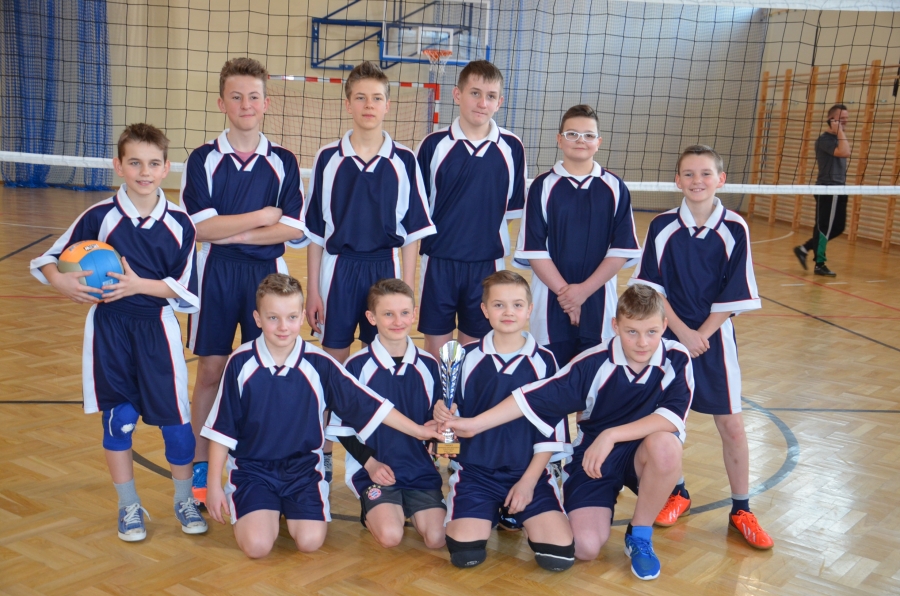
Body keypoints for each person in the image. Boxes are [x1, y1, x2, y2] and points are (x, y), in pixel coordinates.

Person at [437, 284, 693, 580]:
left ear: (664, 326)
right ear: (615, 326)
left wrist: (610, 435)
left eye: (651, 332)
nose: (642, 342)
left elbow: (672, 417)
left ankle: (640, 535)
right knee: (584, 547)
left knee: (666, 445)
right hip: (593, 458)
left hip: (639, 453)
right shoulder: (592, 362)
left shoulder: (677, 358)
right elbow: (532, 398)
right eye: (631, 331)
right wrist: (474, 424)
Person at [30, 123, 207, 541]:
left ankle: (184, 499)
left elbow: (186, 292)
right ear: (118, 166)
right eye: (135, 163)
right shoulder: (99, 216)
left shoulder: (180, 223)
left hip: (157, 329)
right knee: (119, 421)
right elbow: (47, 259)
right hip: (109, 330)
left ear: (166, 168)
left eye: (153, 163)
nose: (144, 172)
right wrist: (62, 282)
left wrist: (138, 285)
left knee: (177, 428)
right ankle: (128, 506)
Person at [202, 274, 442, 558]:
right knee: (257, 547)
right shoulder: (240, 363)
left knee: (310, 542)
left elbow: (371, 406)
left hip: (303, 471)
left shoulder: (320, 363)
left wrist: (420, 431)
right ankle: (264, 507)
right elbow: (222, 429)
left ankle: (278, 509)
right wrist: (212, 485)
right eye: (273, 318)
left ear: (302, 316)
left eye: (291, 317)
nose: (283, 326)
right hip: (254, 471)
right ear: (257, 318)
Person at [630, 144, 774, 550]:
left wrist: (702, 334)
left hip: (715, 339)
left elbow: (735, 292)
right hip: (668, 337)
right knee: (666, 422)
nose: (697, 181)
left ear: (720, 179)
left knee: (731, 425)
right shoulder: (662, 226)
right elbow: (651, 289)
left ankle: (741, 509)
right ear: (677, 180)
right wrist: (682, 332)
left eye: (706, 173)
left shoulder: (735, 227)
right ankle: (677, 491)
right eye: (689, 174)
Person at [180, 57, 307, 504]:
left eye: (254, 96)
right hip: (215, 274)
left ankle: (257, 459)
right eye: (236, 96)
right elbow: (200, 228)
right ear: (222, 103)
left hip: (267, 277)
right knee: (211, 371)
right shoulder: (203, 159)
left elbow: (292, 227)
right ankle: (201, 464)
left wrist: (235, 231)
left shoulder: (283, 161)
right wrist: (261, 216)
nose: (246, 104)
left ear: (266, 103)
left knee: (266, 372)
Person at [436, 271, 574, 572]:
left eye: (517, 305)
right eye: (498, 305)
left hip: (528, 473)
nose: (508, 312)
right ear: (484, 310)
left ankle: (514, 508)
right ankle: (490, 509)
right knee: (466, 555)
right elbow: (450, 423)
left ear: (529, 309)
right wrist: (444, 427)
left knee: (558, 557)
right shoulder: (463, 357)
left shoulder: (546, 362)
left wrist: (527, 483)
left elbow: (551, 432)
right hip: (476, 473)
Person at [415, 60, 527, 359]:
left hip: (486, 265)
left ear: (499, 102)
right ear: (457, 95)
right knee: (437, 352)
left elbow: (510, 211)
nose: (482, 102)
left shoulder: (512, 147)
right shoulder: (433, 145)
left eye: (491, 96)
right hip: (438, 262)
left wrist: (482, 239)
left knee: (476, 351)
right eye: (475, 93)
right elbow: (419, 210)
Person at [514, 104, 641, 366]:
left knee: (594, 378)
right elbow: (534, 250)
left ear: (599, 142)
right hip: (550, 301)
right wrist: (569, 297)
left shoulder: (614, 187)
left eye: (588, 135)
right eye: (572, 134)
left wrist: (582, 292)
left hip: (600, 302)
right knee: (551, 376)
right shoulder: (542, 186)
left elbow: (621, 250)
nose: (580, 140)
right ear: (559, 139)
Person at [327, 279, 446, 550]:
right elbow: (342, 429)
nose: (397, 321)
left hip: (419, 470)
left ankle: (406, 505)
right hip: (375, 469)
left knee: (437, 539)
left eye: (404, 313)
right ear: (372, 318)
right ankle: (376, 508)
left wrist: (444, 444)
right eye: (388, 314)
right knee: (391, 536)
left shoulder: (430, 365)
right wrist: (370, 464)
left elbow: (437, 423)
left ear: (414, 314)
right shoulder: (356, 367)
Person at [793, 104, 851, 277]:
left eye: (846, 119)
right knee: (824, 227)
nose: (845, 122)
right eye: (841, 119)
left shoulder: (839, 137)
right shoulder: (824, 140)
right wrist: (839, 130)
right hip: (828, 188)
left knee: (838, 227)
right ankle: (819, 264)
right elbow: (845, 152)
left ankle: (804, 249)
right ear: (831, 120)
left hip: (839, 188)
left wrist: (839, 131)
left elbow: (845, 149)